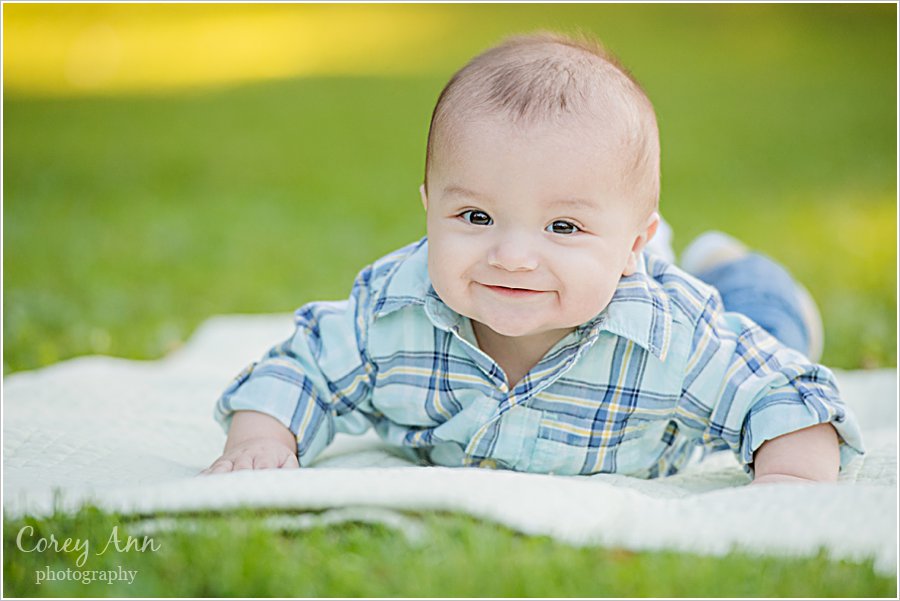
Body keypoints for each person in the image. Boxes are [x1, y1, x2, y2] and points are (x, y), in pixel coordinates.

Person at [203, 31, 863, 483]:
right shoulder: (392, 311)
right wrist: (264, 437)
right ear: (429, 205)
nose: (512, 256)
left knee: (771, 327)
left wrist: (790, 478)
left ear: (631, 243)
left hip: (676, 291)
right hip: (619, 257)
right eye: (477, 217)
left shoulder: (675, 336)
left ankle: (736, 268)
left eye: (563, 225)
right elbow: (304, 365)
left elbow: (784, 391)